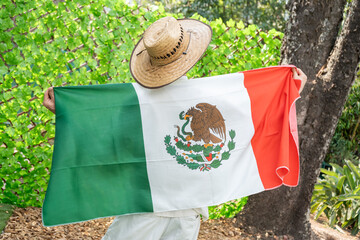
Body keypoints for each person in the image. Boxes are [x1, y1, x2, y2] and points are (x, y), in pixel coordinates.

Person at [43, 16, 307, 240]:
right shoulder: (213, 98)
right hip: (186, 213)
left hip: (143, 209)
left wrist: (65, 109)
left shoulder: (132, 103)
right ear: (188, 53)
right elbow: (259, 115)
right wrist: (290, 90)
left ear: (149, 61)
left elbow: (102, 136)